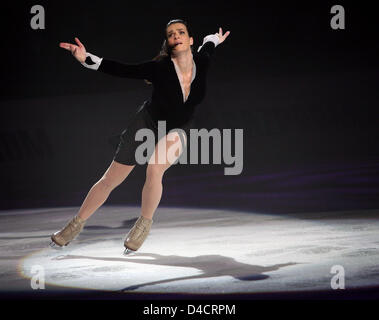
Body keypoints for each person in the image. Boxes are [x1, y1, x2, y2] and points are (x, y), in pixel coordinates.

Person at [50, 19, 230, 254]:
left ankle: (143, 226)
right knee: (110, 179)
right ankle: (74, 226)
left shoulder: (202, 61)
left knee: (155, 168)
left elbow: (209, 44)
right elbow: (122, 69)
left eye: (181, 32)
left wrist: (216, 38)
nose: (176, 36)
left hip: (178, 128)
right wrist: (86, 59)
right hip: (147, 123)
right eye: (171, 34)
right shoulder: (159, 68)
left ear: (190, 40)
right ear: (168, 42)